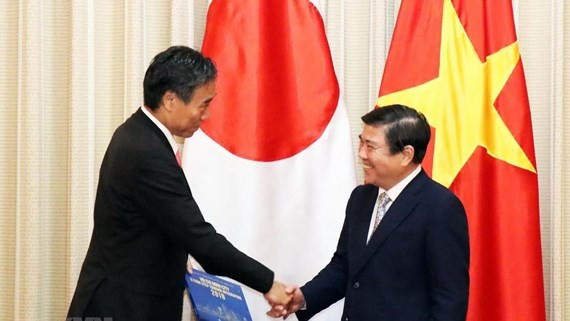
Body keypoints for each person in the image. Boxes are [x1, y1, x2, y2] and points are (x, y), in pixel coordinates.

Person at [67, 46, 290, 321]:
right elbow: (201, 239)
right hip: (122, 307)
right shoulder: (145, 152)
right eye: (204, 104)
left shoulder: (138, 134)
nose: (206, 115)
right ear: (171, 100)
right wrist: (268, 284)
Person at [273, 104, 470, 320]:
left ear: (406, 155)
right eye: (361, 142)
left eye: (370, 146)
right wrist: (303, 298)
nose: (361, 154)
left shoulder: (440, 207)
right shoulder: (361, 198)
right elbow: (344, 266)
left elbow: (449, 300)